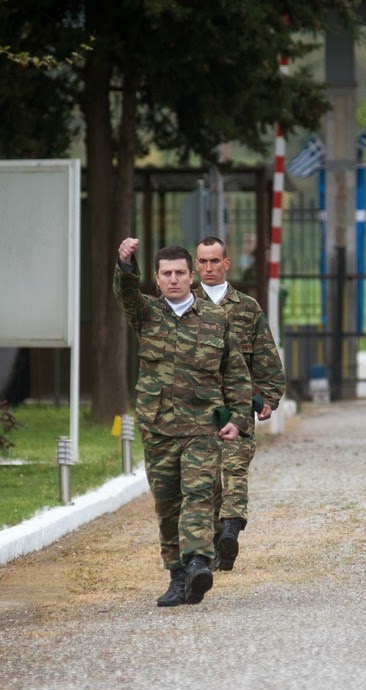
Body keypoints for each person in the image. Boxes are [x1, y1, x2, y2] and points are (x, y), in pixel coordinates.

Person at [115, 237, 253, 607]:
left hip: (201, 428)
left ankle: (197, 563)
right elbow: (126, 293)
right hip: (158, 428)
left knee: (198, 496)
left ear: (192, 276)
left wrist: (238, 419)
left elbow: (236, 375)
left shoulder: (217, 320)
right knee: (167, 505)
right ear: (157, 279)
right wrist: (127, 265)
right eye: (165, 274)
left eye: (179, 273)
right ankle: (178, 577)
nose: (173, 279)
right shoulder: (146, 314)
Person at [193, 236, 286, 571]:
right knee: (207, 478)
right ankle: (219, 539)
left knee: (234, 469)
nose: (208, 268)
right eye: (202, 262)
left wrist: (270, 397)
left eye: (214, 261)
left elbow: (265, 356)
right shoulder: (184, 306)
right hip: (198, 409)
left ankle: (231, 529)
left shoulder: (246, 307)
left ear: (226, 263)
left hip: (237, 406)